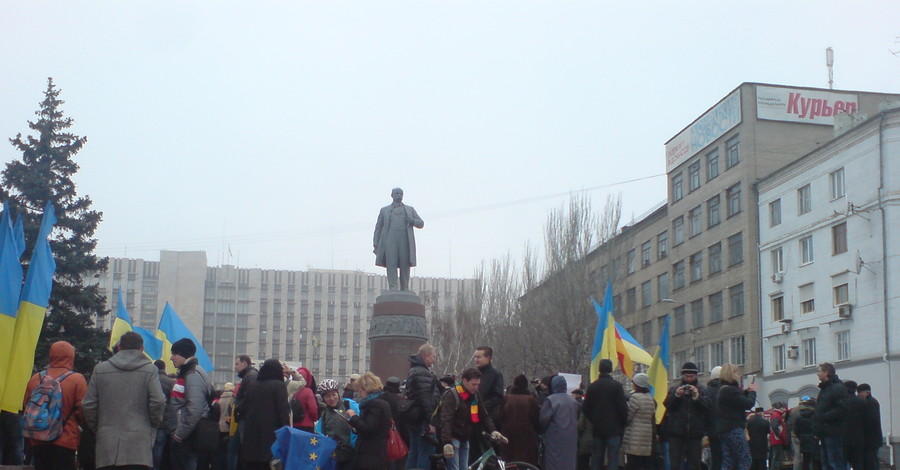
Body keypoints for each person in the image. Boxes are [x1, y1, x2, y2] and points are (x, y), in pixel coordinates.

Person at [83, 332, 166, 470]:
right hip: (139, 447)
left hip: (107, 447)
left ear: (119, 347)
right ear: (142, 349)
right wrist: (153, 424)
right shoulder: (150, 370)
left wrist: (99, 427)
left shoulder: (100, 369)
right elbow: (158, 401)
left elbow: (88, 404)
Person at [23, 341, 87, 470]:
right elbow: (83, 411)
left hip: (38, 440)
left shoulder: (36, 378)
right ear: (71, 357)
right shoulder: (77, 380)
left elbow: (26, 406)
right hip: (65, 439)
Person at [438, 368, 505, 470]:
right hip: (453, 438)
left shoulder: (475, 395)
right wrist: (447, 442)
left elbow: (484, 415)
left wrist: (493, 430)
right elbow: (446, 419)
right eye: (474, 384)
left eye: (478, 384)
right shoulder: (452, 395)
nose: (476, 387)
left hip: (465, 438)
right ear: (465, 381)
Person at [166, 338, 214, 470]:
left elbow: (194, 408)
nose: (171, 358)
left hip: (188, 435)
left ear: (182, 353)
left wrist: (179, 435)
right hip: (188, 432)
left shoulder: (192, 375)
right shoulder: (191, 372)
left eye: (174, 354)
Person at [234, 359, 289, 470]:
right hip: (271, 437)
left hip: (251, 439)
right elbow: (283, 412)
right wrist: (285, 433)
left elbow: (241, 407)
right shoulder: (279, 385)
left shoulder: (253, 385)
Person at [373, 187, 424, 291]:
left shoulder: (409, 210)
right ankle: (393, 288)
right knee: (391, 264)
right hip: (389, 241)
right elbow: (378, 228)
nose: (399, 195)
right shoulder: (384, 211)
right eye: (397, 193)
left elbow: (421, 223)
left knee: (405, 264)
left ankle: (404, 288)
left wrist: (412, 220)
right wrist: (376, 244)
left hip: (405, 241)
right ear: (392, 195)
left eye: (401, 194)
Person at [583, 359, 628, 470]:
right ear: (611, 369)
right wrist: (622, 423)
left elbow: (586, 408)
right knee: (613, 458)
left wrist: (594, 419)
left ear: (599, 369)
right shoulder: (617, 386)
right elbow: (623, 408)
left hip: (598, 428)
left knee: (597, 457)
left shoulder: (592, 386)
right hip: (614, 429)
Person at [664, 362, 709, 470]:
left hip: (695, 434)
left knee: (694, 464)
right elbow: (667, 405)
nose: (689, 379)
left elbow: (707, 407)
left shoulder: (702, 390)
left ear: (696, 376)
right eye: (686, 376)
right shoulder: (675, 389)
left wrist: (697, 397)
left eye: (691, 376)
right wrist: (677, 396)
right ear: (682, 376)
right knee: (675, 463)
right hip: (677, 433)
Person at [405, 343, 441, 470]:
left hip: (416, 418)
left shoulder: (414, 370)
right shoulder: (423, 373)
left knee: (414, 451)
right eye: (433, 356)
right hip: (423, 420)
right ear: (425, 356)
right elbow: (426, 400)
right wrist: (431, 421)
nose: (435, 359)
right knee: (426, 452)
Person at [715, 363, 757, 470]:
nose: (739, 375)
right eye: (737, 372)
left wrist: (746, 392)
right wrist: (752, 392)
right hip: (734, 428)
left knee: (728, 460)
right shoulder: (731, 390)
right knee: (745, 459)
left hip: (723, 430)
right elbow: (747, 404)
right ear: (731, 374)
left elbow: (737, 401)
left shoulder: (723, 389)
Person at [347, 372, 392, 470]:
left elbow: (368, 428)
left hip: (371, 453)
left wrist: (354, 417)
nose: (359, 394)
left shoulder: (375, 405)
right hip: (376, 452)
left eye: (361, 390)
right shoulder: (382, 402)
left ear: (367, 389)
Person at [316, 379, 360, 470]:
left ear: (338, 393)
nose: (332, 398)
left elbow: (361, 424)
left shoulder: (349, 405)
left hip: (351, 452)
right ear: (323, 398)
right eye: (327, 396)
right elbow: (320, 432)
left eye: (334, 394)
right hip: (334, 454)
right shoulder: (325, 413)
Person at [540, 375, 580, 470]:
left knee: (554, 463)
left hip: (555, 438)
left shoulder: (551, 400)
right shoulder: (573, 401)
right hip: (571, 438)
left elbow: (543, 420)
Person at [499, 374, 540, 467]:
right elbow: (536, 420)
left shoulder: (506, 398)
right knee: (525, 464)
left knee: (508, 464)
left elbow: (500, 417)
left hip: (507, 437)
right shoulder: (530, 400)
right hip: (526, 437)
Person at [813, 363, 848, 470]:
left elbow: (842, 408)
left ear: (826, 373)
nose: (817, 374)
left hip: (833, 431)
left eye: (819, 371)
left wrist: (824, 417)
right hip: (825, 431)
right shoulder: (825, 389)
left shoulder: (837, 388)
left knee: (834, 462)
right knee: (827, 462)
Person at [622, 373, 656, 470]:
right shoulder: (650, 398)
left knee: (633, 462)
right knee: (643, 463)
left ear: (638, 385)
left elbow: (628, 416)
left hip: (634, 436)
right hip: (646, 436)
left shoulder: (635, 398)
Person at [229, 355, 257, 470]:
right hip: (244, 418)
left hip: (245, 418)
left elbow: (248, 398)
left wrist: (238, 409)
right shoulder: (250, 376)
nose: (235, 367)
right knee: (234, 448)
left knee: (235, 450)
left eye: (237, 364)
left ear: (245, 363)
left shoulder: (250, 377)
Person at [153, 359, 175, 470]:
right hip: (164, 420)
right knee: (159, 447)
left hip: (149, 420)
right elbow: (173, 403)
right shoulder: (170, 382)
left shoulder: (150, 380)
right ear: (164, 368)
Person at [856, 384, 882, 470]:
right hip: (872, 439)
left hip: (871, 439)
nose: (858, 395)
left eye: (859, 392)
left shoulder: (870, 403)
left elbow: (871, 421)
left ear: (867, 393)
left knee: (871, 461)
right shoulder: (871, 402)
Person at [842, 381, 866, 470]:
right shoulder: (862, 402)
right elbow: (866, 421)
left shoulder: (841, 402)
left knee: (843, 463)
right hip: (858, 437)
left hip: (843, 437)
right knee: (858, 463)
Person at [791, 397, 819, 470]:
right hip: (813, 439)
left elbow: (795, 429)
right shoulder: (815, 416)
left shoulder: (799, 416)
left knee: (804, 459)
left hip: (803, 439)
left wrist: (800, 436)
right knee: (814, 459)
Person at [706, 365, 724, 470]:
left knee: (715, 458)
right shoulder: (726, 389)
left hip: (712, 430)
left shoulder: (707, 390)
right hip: (726, 429)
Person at [291, 367, 319, 432]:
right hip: (307, 425)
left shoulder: (291, 390)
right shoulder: (308, 391)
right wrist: (315, 419)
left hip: (293, 424)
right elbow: (313, 408)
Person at [768, 402, 789, 470]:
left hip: (776, 439)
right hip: (777, 439)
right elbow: (775, 427)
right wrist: (781, 435)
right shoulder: (776, 415)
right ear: (781, 408)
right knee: (777, 457)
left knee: (776, 457)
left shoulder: (776, 414)